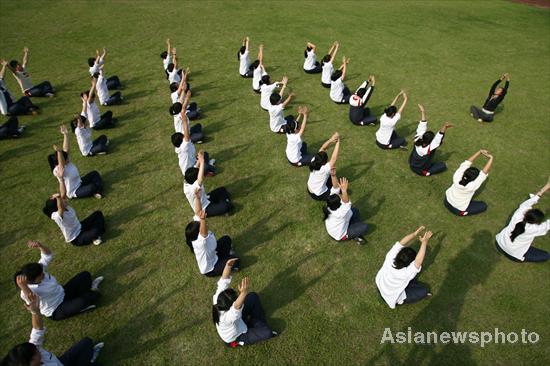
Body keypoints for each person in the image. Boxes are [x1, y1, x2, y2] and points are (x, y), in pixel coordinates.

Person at [1, 292, 104, 365]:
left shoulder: (33, 349)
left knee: (87, 342)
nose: (39, 350)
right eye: (37, 353)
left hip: (61, 362)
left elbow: (37, 329)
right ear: (31, 362)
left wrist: (35, 312)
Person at [15, 240, 103, 321]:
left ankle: (83, 296)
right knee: (94, 296)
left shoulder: (38, 270)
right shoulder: (26, 291)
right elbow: (33, 302)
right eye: (41, 275)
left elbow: (47, 256)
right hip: (56, 309)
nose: (44, 274)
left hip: (62, 293)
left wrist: (40, 246)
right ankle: (84, 301)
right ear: (33, 280)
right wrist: (24, 287)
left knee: (85, 275)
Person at [212, 268, 277, 347]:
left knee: (252, 296)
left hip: (237, 321)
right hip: (238, 335)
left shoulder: (218, 299)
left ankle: (255, 322)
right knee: (267, 333)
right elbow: (236, 307)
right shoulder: (226, 318)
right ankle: (253, 324)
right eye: (236, 298)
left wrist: (228, 266)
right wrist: (243, 293)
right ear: (231, 305)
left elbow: (223, 281)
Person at [185, 187, 240, 276]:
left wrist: (198, 198)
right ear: (198, 232)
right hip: (212, 268)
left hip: (214, 254)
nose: (203, 224)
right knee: (236, 261)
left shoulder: (198, 234)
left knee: (227, 239)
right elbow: (203, 233)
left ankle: (225, 258)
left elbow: (198, 212)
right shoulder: (200, 242)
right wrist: (203, 220)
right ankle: (229, 265)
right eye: (201, 225)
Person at [375, 226, 433, 309]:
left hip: (381, 285)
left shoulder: (391, 256)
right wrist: (424, 242)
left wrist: (415, 233)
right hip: (392, 297)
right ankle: (401, 300)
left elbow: (401, 243)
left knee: (413, 281)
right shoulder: (405, 273)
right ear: (409, 263)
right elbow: (418, 261)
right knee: (424, 290)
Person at [496, 179, 550, 263]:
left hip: (499, 243)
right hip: (514, 255)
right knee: (545, 255)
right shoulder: (535, 229)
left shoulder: (519, 214)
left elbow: (530, 201)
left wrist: (546, 186)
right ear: (536, 222)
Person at [42, 177, 105, 246]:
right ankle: (95, 235)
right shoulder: (57, 216)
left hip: (80, 226)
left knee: (98, 214)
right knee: (95, 232)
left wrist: (61, 180)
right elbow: (60, 209)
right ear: (58, 205)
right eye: (61, 201)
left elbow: (63, 193)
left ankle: (94, 233)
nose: (64, 200)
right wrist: (58, 197)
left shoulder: (65, 206)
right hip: (77, 238)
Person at [48, 128, 103, 199]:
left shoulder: (67, 162)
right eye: (65, 158)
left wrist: (65, 134)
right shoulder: (57, 170)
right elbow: (61, 163)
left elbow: (66, 149)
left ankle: (98, 191)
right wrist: (59, 152)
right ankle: (97, 190)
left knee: (94, 173)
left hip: (79, 182)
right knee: (91, 187)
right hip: (74, 191)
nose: (68, 158)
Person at [444, 149, 493, 216]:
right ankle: (464, 213)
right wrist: (491, 158)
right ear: (474, 179)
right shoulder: (472, 186)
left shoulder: (457, 176)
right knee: (483, 206)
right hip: (458, 210)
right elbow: (484, 172)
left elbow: (467, 163)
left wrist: (479, 152)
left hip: (446, 201)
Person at [183, 151, 233, 217]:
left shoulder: (188, 180)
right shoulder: (192, 188)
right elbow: (200, 179)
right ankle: (225, 204)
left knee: (222, 190)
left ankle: (223, 202)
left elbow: (195, 168)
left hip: (206, 199)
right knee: (226, 206)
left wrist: (199, 159)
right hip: (204, 208)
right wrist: (202, 161)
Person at [409, 104, 453, 176]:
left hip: (412, 163)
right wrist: (445, 127)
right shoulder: (428, 148)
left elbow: (422, 125)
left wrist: (422, 111)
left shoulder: (417, 138)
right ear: (430, 141)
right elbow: (438, 138)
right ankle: (427, 172)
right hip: (420, 169)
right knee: (442, 165)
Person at [323, 177, 369, 244]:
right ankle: (355, 236)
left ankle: (353, 227)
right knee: (364, 227)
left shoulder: (329, 204)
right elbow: (346, 202)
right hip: (340, 235)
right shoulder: (341, 212)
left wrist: (333, 175)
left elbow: (335, 188)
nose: (340, 195)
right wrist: (344, 190)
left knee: (355, 210)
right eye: (340, 197)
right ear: (338, 204)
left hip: (336, 229)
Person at [171, 112, 215, 177]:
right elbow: (187, 137)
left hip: (194, 163)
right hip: (191, 172)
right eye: (183, 136)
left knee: (205, 154)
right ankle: (207, 168)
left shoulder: (180, 146)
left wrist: (198, 159)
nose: (185, 137)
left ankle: (206, 167)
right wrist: (184, 121)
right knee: (209, 168)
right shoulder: (184, 147)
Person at [307, 132, 341, 201]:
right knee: (338, 190)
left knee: (329, 177)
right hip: (318, 195)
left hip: (309, 188)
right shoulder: (325, 169)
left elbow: (322, 148)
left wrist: (331, 140)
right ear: (324, 162)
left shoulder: (314, 160)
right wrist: (338, 142)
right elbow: (334, 158)